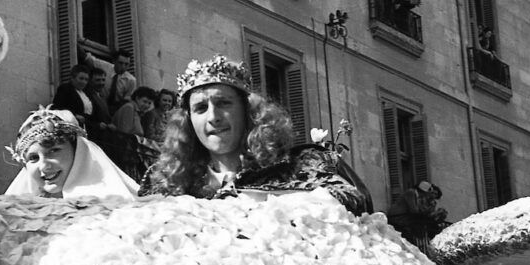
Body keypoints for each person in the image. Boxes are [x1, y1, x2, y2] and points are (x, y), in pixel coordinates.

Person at [139, 55, 369, 215]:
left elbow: (352, 200)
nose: (213, 117)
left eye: (223, 103)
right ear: (188, 121)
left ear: (247, 111)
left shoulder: (301, 164)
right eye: (200, 108)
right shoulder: (165, 179)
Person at [4, 108, 138, 199]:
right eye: (33, 158)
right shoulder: (21, 214)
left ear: (79, 152)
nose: (44, 166)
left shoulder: (113, 207)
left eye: (53, 151)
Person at [85, 50, 136, 115]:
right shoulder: (104, 66)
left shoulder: (131, 80)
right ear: (114, 61)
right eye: (120, 63)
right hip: (96, 103)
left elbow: (126, 100)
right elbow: (87, 58)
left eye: (126, 64)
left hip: (116, 110)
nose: (123, 67)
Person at [51, 64, 94, 130]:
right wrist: (75, 115)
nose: (84, 82)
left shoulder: (87, 94)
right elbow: (57, 107)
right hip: (71, 127)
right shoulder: (65, 89)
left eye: (86, 79)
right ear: (72, 78)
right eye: (81, 78)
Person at [84, 67, 116, 146]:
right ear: (90, 81)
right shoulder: (86, 95)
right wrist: (97, 125)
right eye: (98, 80)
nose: (101, 83)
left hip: (104, 137)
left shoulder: (102, 95)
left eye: (103, 80)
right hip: (93, 138)